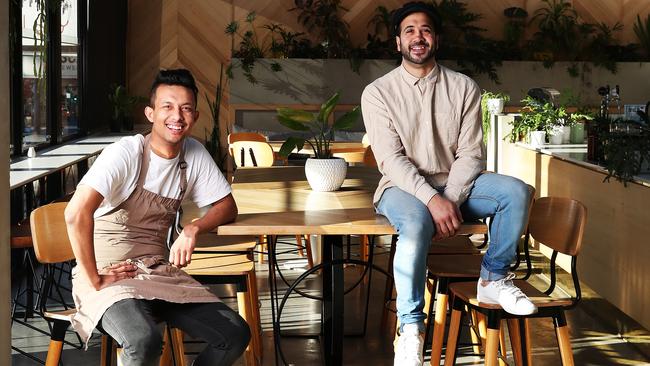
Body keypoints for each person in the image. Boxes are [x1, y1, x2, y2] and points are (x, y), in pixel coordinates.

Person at [361, 3, 536, 365]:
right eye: (409, 30)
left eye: (425, 30)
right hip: (402, 187)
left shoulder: (464, 87)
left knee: (517, 193)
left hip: (457, 184)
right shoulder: (377, 93)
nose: (418, 37)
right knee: (415, 221)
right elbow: (391, 160)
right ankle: (410, 327)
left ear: (436, 38)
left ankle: (493, 280)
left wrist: (450, 200)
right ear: (398, 43)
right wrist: (431, 201)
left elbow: (471, 152)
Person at [65, 69, 250, 365]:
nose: (177, 116)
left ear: (195, 116)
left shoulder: (193, 154)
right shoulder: (125, 153)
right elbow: (76, 214)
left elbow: (227, 207)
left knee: (235, 334)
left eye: (185, 108)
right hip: (110, 275)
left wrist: (193, 228)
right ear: (150, 113)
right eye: (167, 106)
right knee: (143, 340)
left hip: (157, 271)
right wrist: (95, 278)